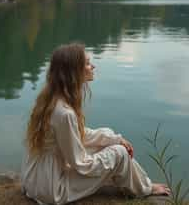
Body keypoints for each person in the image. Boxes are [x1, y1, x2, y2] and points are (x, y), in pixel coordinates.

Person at [21, 43, 170, 205]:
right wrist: (113, 156)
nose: (92, 66)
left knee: (110, 141)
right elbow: (81, 164)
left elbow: (76, 135)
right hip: (52, 189)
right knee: (119, 154)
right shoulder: (65, 113)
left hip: (34, 178)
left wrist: (114, 139)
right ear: (73, 72)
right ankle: (143, 189)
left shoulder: (51, 99)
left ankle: (139, 182)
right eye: (87, 63)